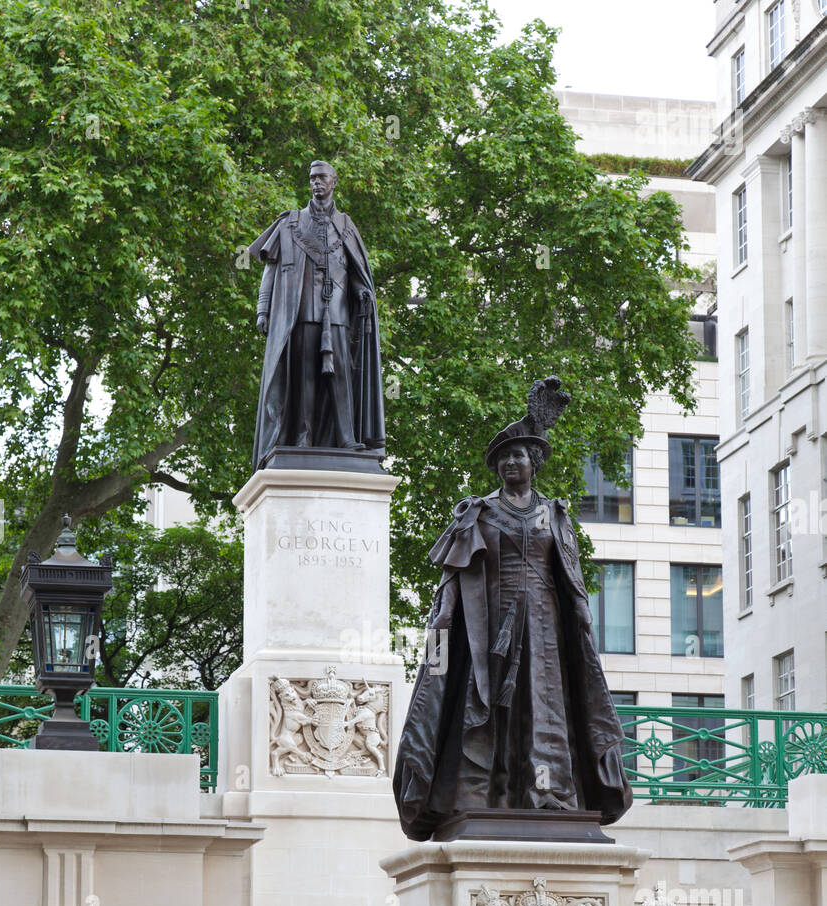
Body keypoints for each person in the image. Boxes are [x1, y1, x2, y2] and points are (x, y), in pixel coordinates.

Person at [393, 378, 633, 841]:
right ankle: (481, 797)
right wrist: (443, 625)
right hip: (490, 627)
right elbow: (454, 577)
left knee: (544, 709)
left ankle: (548, 794)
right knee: (486, 709)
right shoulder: (477, 512)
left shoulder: (554, 513)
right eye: (503, 458)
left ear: (534, 462)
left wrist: (581, 623)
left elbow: (571, 577)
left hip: (545, 629)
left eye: (518, 456)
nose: (509, 463)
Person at [249, 160, 385, 468]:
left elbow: (354, 270)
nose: (316, 182)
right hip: (300, 314)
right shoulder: (290, 223)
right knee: (305, 377)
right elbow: (269, 271)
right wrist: (263, 309)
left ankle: (348, 437)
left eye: (322, 177)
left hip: (337, 315)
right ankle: (303, 437)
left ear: (334, 182)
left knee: (341, 377)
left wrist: (361, 291)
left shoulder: (347, 225)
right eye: (312, 178)